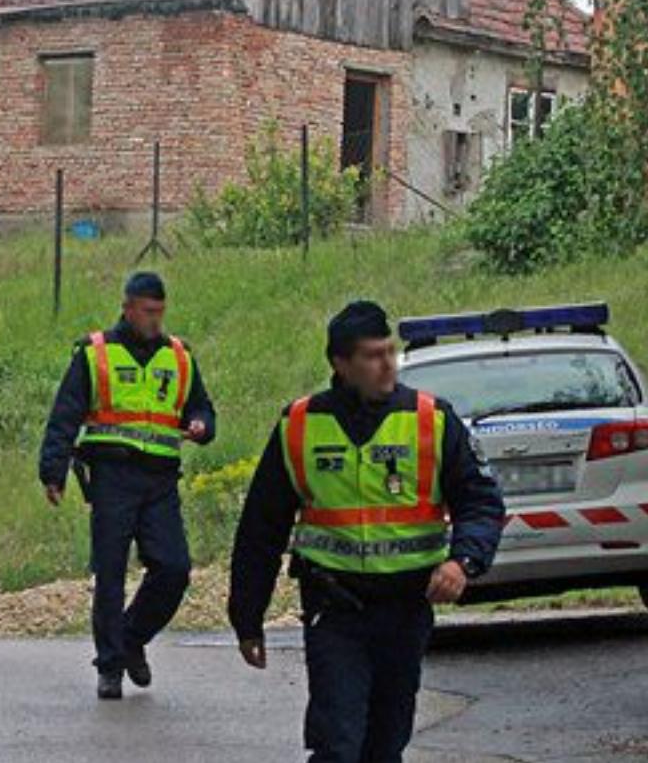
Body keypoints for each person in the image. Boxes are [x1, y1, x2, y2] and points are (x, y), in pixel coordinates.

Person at [228, 300, 504, 763]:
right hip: (335, 609)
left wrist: (463, 561)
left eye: (390, 352)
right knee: (339, 741)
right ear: (341, 364)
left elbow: (481, 501)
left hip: (406, 609)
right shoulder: (299, 426)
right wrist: (247, 617)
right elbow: (261, 528)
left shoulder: (430, 420)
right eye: (373, 356)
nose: (387, 365)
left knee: (385, 743)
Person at [38, 272, 216, 700]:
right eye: (148, 311)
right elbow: (65, 414)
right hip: (112, 478)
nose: (155, 320)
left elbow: (203, 408)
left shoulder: (179, 357)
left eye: (160, 312)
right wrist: (53, 470)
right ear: (128, 307)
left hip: (159, 480)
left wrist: (201, 426)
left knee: (174, 568)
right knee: (111, 574)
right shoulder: (95, 353)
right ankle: (111, 666)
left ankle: (132, 637)